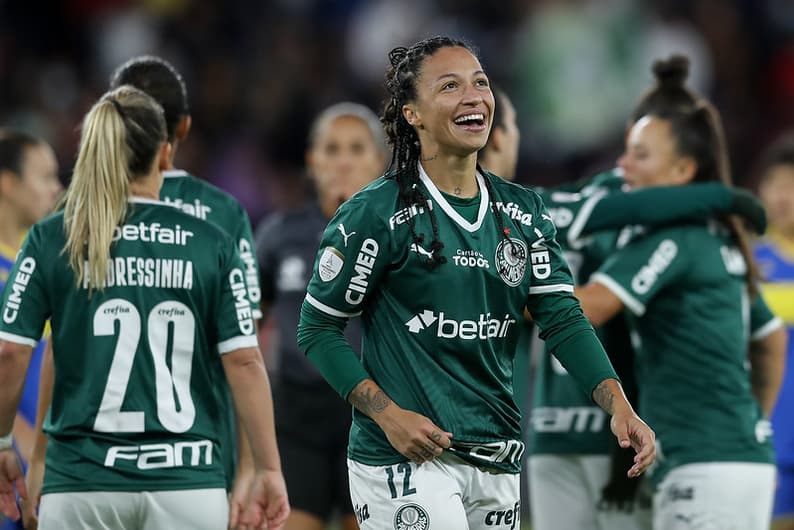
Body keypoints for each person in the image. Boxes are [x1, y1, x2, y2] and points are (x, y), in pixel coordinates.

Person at [296, 35, 655, 529]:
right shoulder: (375, 213)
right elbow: (316, 330)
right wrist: (387, 414)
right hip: (405, 458)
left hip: (495, 455)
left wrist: (618, 404)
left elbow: (563, 318)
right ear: (412, 115)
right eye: (450, 86)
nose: (473, 97)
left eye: (480, 83)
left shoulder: (523, 212)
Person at [0, 85, 289, 529]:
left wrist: (6, 444)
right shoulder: (212, 240)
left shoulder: (52, 236)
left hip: (80, 481)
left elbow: (15, 353)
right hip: (187, 480)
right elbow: (245, 359)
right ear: (165, 155)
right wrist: (267, 468)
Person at [574, 62, 786, 529]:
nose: (623, 166)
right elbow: (771, 340)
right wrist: (751, 427)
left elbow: (587, 308)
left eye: (640, 156)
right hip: (740, 457)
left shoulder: (672, 240)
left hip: (704, 464)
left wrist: (505, 286)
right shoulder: (719, 241)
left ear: (684, 169)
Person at [254, 102, 388, 530]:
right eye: (331, 149)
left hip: (376, 413)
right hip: (297, 417)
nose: (343, 160)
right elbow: (247, 325)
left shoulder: (402, 231)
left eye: (355, 148)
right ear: (312, 162)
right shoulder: (280, 233)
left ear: (379, 159)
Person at [0, 131, 60, 530]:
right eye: (45, 177)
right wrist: (23, 446)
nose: (58, 189)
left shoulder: (38, 264)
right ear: (8, 183)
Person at [752, 133, 794, 530]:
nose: (782, 196)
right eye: (774, 184)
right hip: (771, 434)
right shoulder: (747, 262)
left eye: (792, 185)